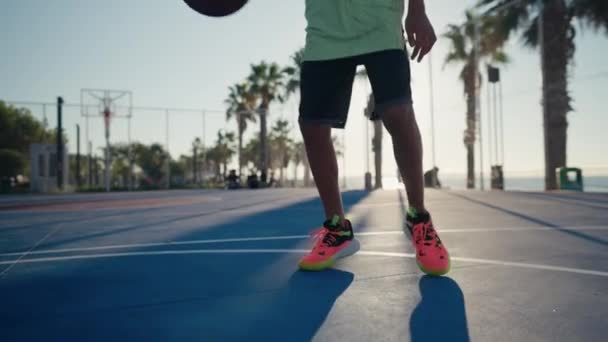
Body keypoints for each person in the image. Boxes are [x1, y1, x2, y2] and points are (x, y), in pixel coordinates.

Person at [297, 0, 450, 275]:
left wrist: (417, 10)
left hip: (380, 18)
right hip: (325, 28)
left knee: (397, 112)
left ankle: (419, 218)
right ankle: (337, 228)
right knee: (312, 126)